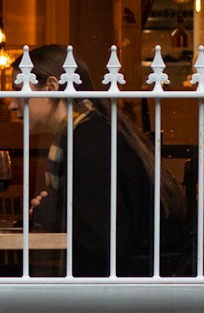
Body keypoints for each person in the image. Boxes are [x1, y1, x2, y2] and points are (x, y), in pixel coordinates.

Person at [15, 44, 188, 277]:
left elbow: (102, 236)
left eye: (18, 91)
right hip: (138, 278)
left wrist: (46, 210)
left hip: (128, 289)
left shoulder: (88, 141)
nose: (11, 103)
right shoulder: (93, 130)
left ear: (51, 87)